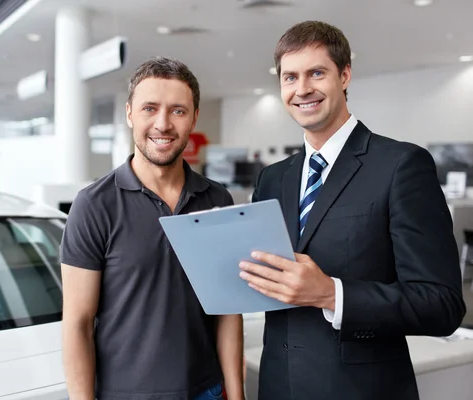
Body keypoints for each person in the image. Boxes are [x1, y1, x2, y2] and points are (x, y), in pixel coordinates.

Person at [238, 21, 466, 400]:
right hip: (279, 385)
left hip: (361, 390)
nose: (302, 89)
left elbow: (441, 305)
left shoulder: (401, 165)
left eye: (316, 73)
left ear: (344, 75)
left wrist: (331, 293)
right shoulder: (273, 178)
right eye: (290, 77)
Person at [60, 57, 244, 400]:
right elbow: (77, 324)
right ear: (130, 113)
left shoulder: (217, 198)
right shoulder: (94, 205)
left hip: (207, 391)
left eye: (177, 110)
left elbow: (228, 311)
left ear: (193, 117)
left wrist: (236, 396)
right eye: (149, 108)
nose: (163, 124)